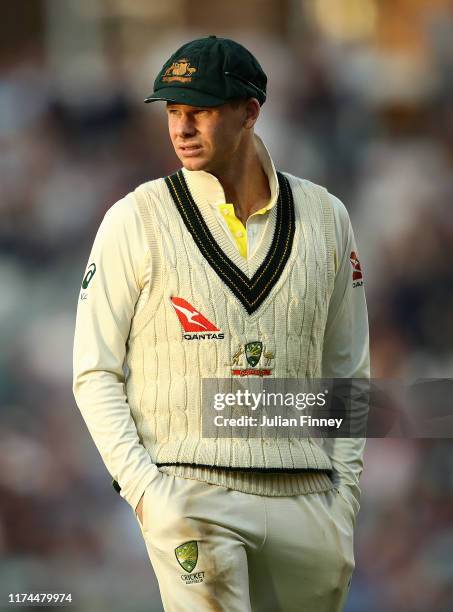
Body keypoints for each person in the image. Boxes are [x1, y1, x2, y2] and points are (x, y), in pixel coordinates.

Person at [73, 35, 369, 612]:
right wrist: (148, 494)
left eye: (200, 111)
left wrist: (344, 496)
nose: (181, 129)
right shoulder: (135, 218)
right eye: (173, 113)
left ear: (250, 112)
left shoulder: (328, 218)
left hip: (309, 501)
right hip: (192, 493)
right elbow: (93, 372)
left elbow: (347, 372)